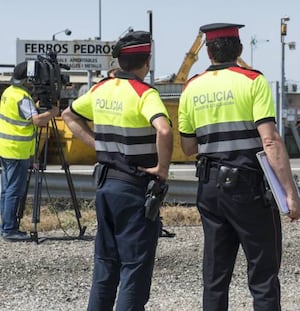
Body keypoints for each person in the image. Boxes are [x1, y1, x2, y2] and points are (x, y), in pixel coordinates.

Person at [178, 23, 300, 311]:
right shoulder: (252, 81)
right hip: (248, 188)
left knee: (214, 277)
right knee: (263, 276)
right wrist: (290, 193)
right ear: (239, 50)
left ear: (208, 52)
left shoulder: (191, 87)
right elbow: (270, 141)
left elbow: (187, 148)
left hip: (209, 188)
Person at [61, 30, 173, 310]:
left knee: (105, 265)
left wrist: (97, 144)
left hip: (106, 186)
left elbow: (68, 115)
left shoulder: (100, 88)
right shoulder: (144, 93)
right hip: (135, 190)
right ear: (146, 63)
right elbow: (163, 129)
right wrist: (162, 168)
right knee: (134, 268)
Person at [0, 61, 59, 242]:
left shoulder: (9, 92)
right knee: (14, 191)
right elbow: (37, 121)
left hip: (5, 148)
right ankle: (10, 229)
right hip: (18, 150)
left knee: (5, 190)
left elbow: (21, 114)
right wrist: (53, 112)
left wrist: (35, 105)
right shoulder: (22, 97)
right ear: (28, 79)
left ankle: (4, 226)